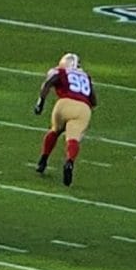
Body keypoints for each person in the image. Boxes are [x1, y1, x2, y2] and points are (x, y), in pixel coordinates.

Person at [34, 53, 97, 187]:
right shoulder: (86, 77)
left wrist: (40, 102)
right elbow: (94, 100)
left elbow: (48, 83)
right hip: (83, 108)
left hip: (64, 104)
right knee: (73, 139)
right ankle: (69, 161)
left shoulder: (61, 71)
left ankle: (43, 160)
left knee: (55, 131)